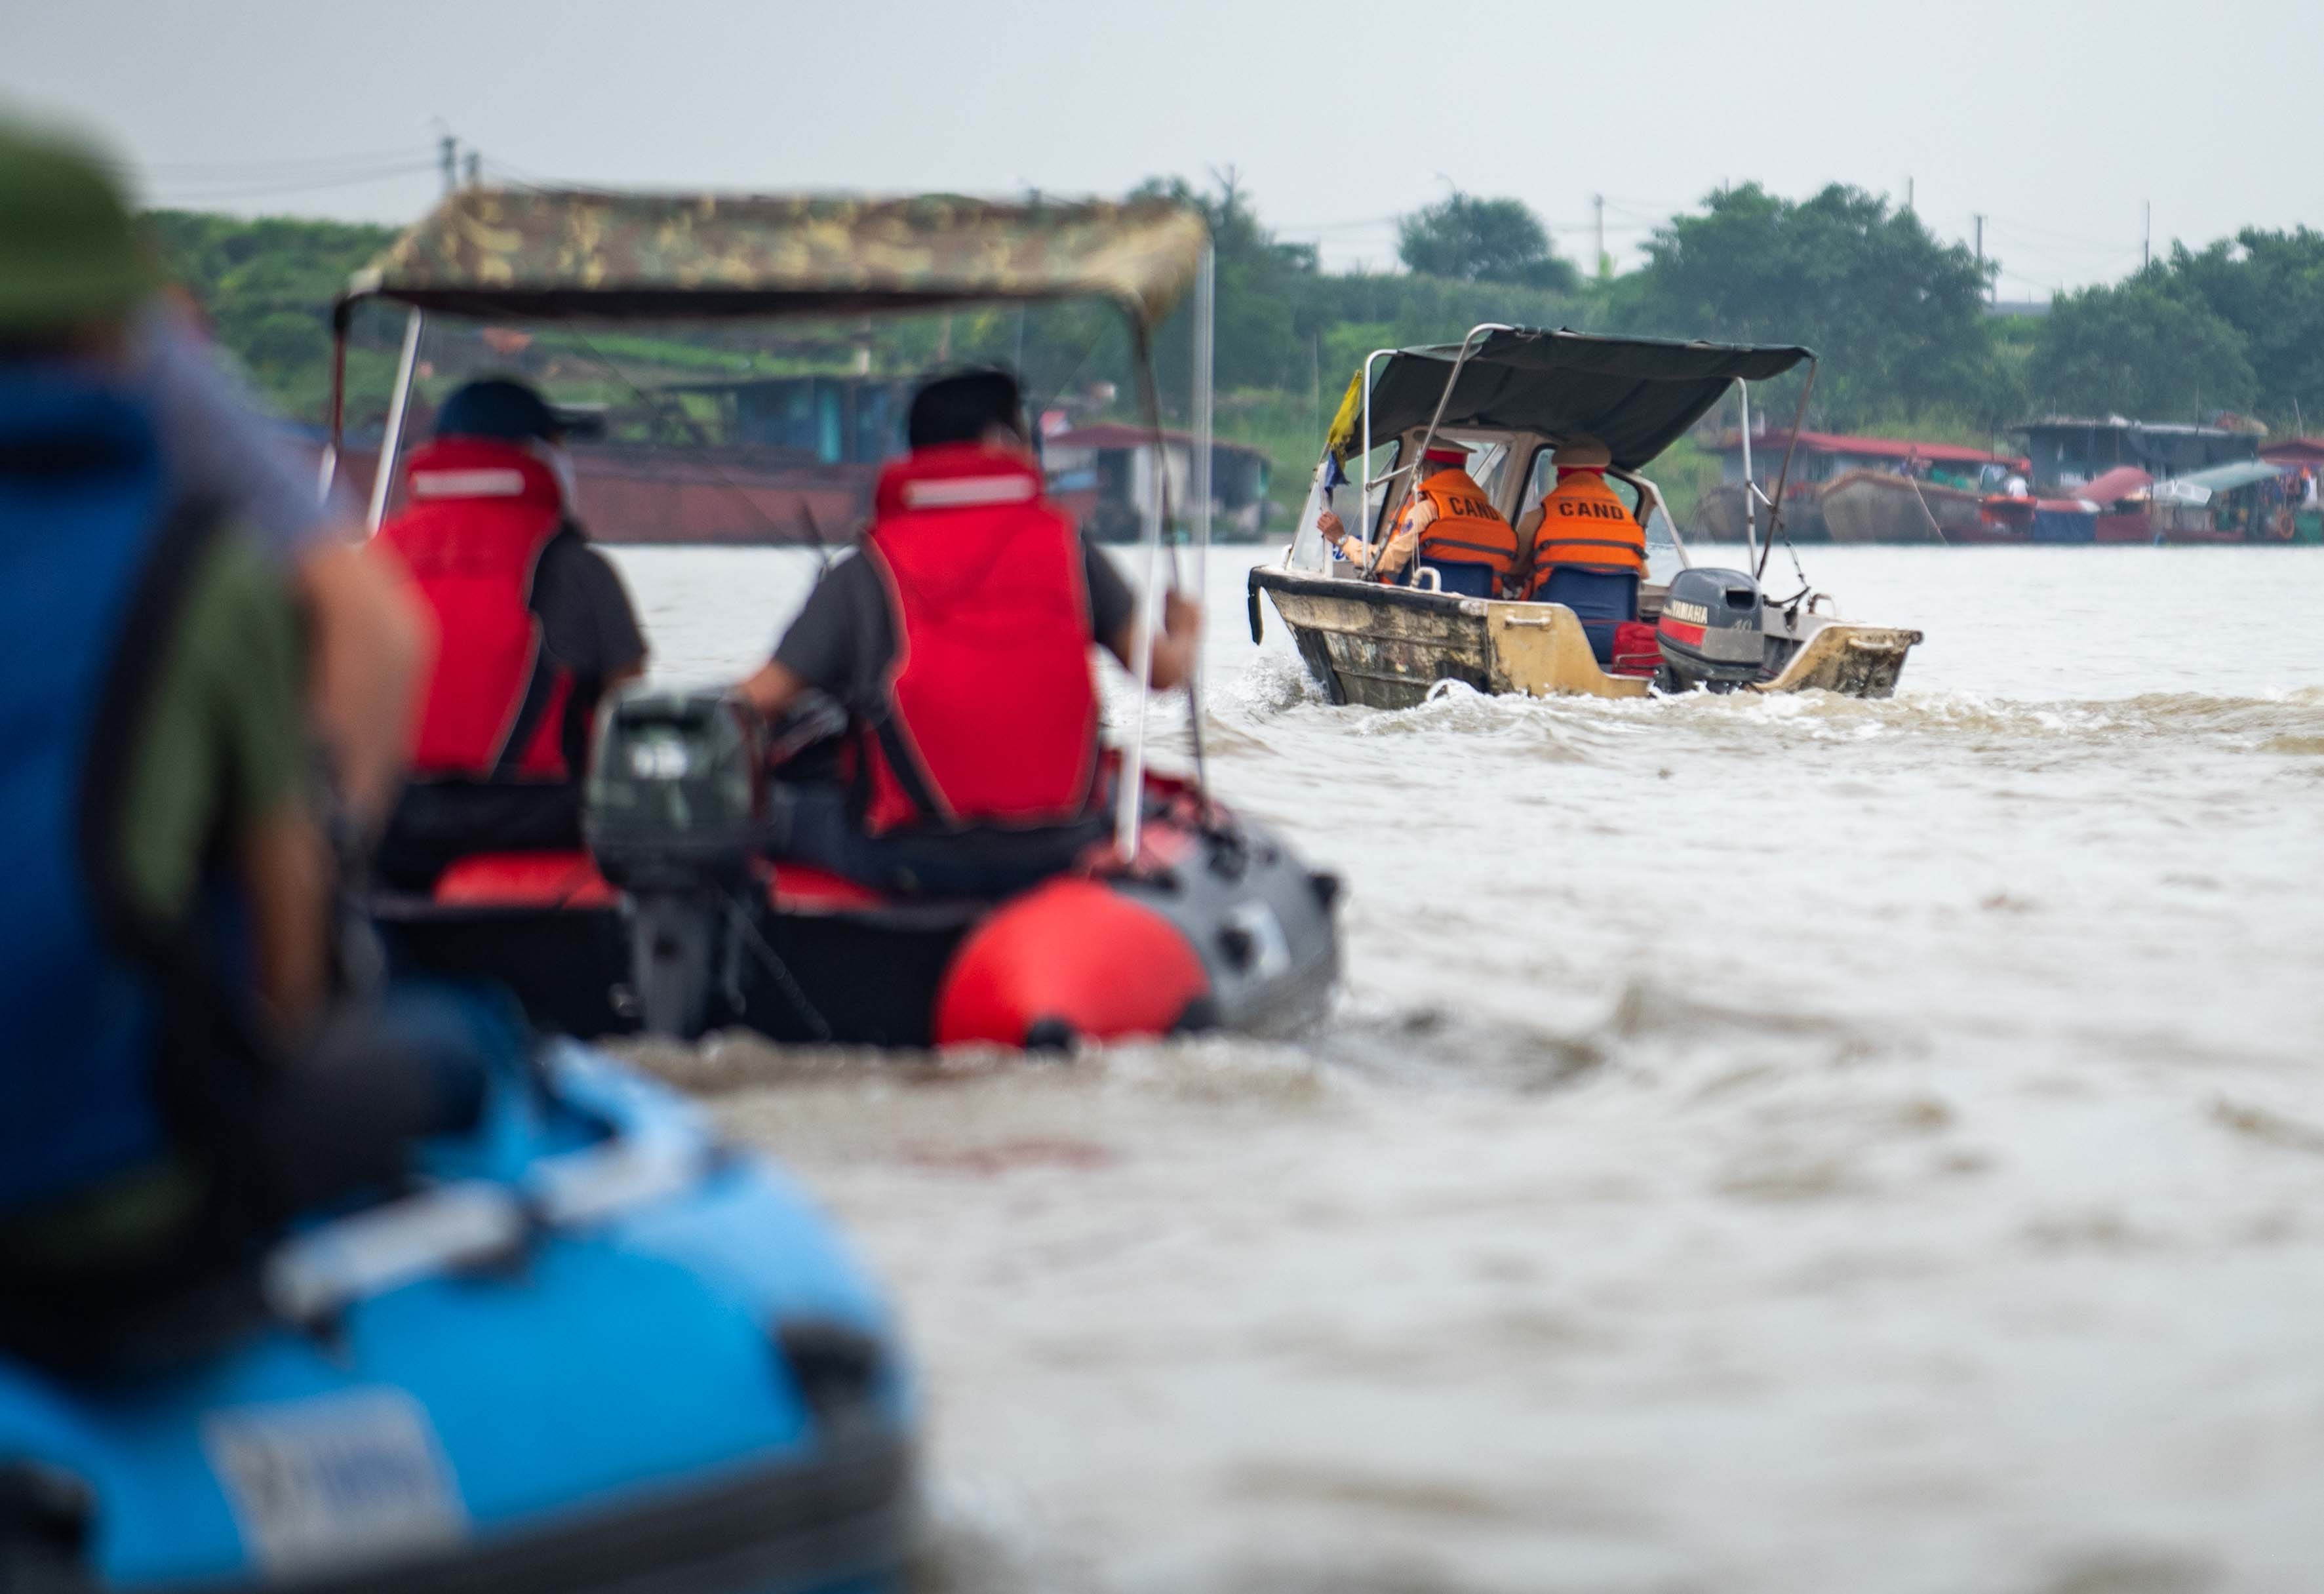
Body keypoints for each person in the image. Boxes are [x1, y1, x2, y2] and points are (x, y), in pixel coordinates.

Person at [0, 120, 477, 1365]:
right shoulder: (205, 572)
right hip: (93, 1211)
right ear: (133, 326)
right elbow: (287, 972)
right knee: (459, 1052)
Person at [735, 368, 1199, 896]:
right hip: (1061, 846)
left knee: (771, 806)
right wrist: (1185, 629)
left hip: (915, 857)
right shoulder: (1069, 547)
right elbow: (1163, 672)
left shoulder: (866, 567)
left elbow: (756, 702)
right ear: (1000, 441)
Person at [371, 378, 648, 891]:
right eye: (558, 443)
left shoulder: (372, 559)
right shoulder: (577, 567)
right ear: (534, 453)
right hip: (538, 831)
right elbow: (627, 713)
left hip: (388, 830)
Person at [1314, 441, 1518, 596]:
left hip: (1423, 608)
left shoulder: (1427, 509)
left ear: (1428, 470)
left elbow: (1387, 561)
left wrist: (1341, 539)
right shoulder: (1499, 520)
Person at [1512, 437, 1647, 664]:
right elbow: (1640, 576)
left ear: (1559, 478)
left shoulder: (1540, 517)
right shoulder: (1629, 524)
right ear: (1602, 478)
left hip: (1550, 639)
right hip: (1613, 644)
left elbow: (1514, 571)